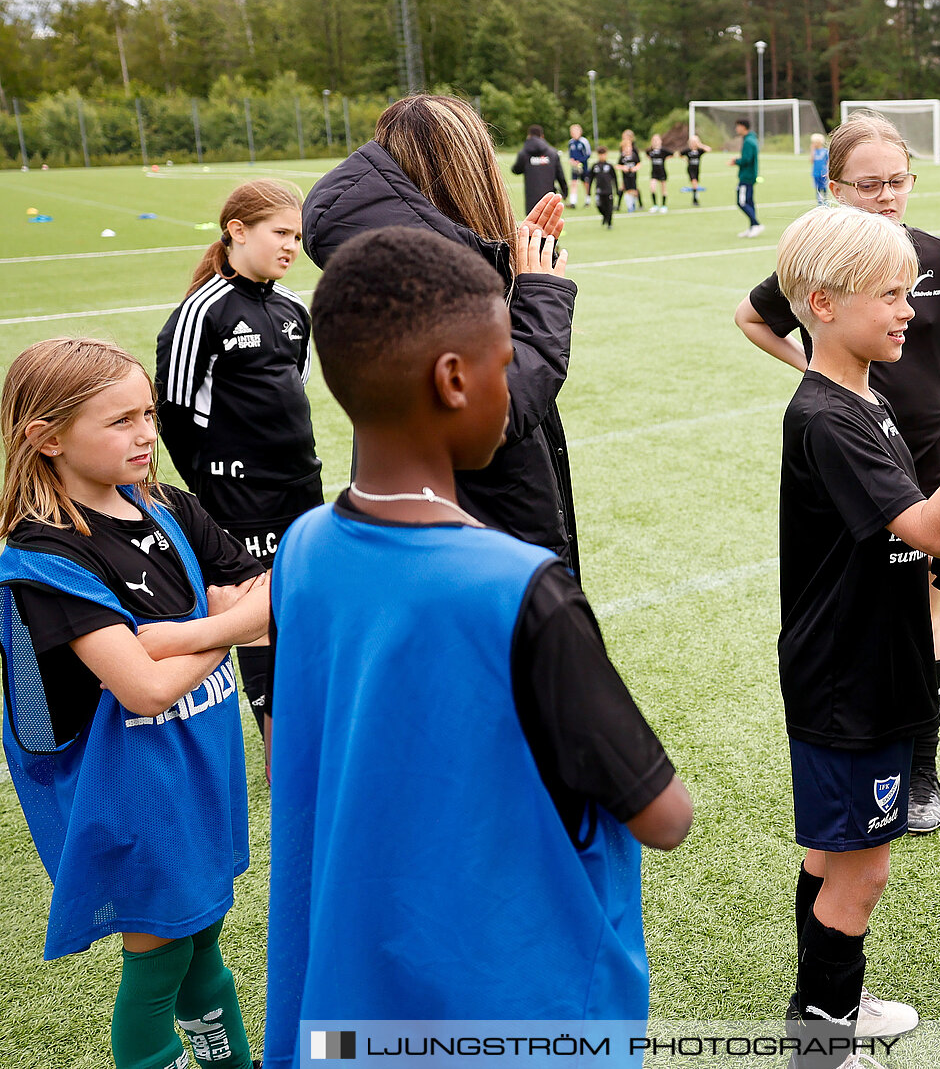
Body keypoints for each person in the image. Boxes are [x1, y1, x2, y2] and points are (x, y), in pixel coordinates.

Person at [263, 226, 693, 1068]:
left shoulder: (305, 547)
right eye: (504, 363)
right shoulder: (520, 587)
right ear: (454, 379)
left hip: (359, 996)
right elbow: (664, 815)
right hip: (515, 1005)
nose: (514, 384)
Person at [772, 205, 940, 1065]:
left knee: (833, 854)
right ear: (822, 301)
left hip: (864, 662)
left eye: (912, 295)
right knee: (863, 870)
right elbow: (924, 525)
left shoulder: (865, 397)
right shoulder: (829, 415)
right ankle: (823, 1045)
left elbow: (894, 532)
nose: (911, 312)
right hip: (851, 676)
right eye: (891, 296)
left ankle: (824, 1008)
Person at [735, 112, 940, 834]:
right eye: (869, 184)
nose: (887, 195)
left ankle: (915, 764)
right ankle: (867, 757)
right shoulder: (821, 273)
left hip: (926, 447)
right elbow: (751, 316)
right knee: (866, 598)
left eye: (898, 180)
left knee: (919, 603)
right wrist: (821, 373)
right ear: (835, 189)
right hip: (856, 452)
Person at [1, 337, 270, 1069]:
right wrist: (229, 627)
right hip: (132, 797)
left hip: (196, 769)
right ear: (47, 438)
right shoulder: (46, 555)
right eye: (120, 420)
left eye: (149, 412)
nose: (147, 432)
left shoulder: (167, 505)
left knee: (201, 941)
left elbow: (268, 602)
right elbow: (142, 686)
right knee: (157, 960)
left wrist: (182, 634)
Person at [302, 94, 582, 576]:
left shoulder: (395, 266)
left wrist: (501, 268)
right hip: (481, 553)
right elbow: (496, 412)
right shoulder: (420, 288)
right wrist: (542, 295)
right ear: (462, 171)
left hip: (444, 537)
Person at [155, 178, 320, 746]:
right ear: (237, 231)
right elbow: (174, 412)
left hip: (302, 485)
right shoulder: (202, 312)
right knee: (259, 618)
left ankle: (308, 725)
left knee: (305, 601)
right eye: (280, 233)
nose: (291, 247)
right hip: (241, 497)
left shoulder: (295, 309)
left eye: (297, 236)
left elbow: (290, 392)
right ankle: (281, 751)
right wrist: (213, 484)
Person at [513, 123, 569, 213]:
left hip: (531, 198)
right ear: (542, 136)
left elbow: (516, 170)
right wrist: (565, 191)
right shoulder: (553, 153)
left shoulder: (524, 153)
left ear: (529, 136)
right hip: (549, 197)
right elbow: (560, 174)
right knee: (549, 223)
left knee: (532, 223)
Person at [734, 119, 764, 237]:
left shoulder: (749, 141)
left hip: (746, 176)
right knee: (749, 201)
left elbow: (747, 159)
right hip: (750, 175)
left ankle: (756, 224)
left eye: (737, 126)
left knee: (741, 202)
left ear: (743, 127)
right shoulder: (750, 139)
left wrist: (736, 161)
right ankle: (752, 226)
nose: (736, 129)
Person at [591, 145, 620, 230]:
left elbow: (615, 178)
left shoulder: (610, 166)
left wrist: (616, 189)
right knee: (599, 205)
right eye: (600, 154)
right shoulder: (595, 166)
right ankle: (605, 216)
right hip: (599, 190)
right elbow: (591, 178)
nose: (602, 156)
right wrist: (588, 191)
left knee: (609, 207)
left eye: (603, 154)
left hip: (608, 190)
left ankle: (609, 223)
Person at [568, 123, 594, 207]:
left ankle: (587, 200)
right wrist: (572, 160)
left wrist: (580, 161)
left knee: (586, 183)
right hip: (575, 166)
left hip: (583, 166)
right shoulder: (571, 142)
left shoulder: (584, 141)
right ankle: (573, 202)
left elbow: (588, 154)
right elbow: (570, 154)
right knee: (574, 182)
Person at [646, 133, 672, 213]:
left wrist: (666, 159)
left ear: (660, 141)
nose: (655, 142)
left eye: (657, 140)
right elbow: (647, 155)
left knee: (663, 189)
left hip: (662, 172)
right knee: (652, 188)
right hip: (654, 172)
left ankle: (664, 206)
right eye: (654, 140)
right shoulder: (650, 150)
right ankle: (655, 205)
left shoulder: (663, 150)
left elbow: (672, 154)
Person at [683, 135, 711, 206]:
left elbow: (708, 149)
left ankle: (694, 198)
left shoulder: (699, 151)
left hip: (697, 170)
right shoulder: (688, 151)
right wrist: (685, 159)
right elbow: (679, 154)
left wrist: (700, 145)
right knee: (694, 183)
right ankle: (695, 200)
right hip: (690, 170)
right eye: (692, 142)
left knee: (695, 184)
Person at [619, 129, 641, 214]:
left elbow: (638, 161)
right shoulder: (622, 149)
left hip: (633, 173)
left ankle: (636, 204)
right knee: (625, 188)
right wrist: (622, 167)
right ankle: (628, 206)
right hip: (625, 173)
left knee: (634, 189)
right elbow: (619, 163)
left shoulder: (634, 149)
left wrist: (635, 168)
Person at [811, 132, 830, 206]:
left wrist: (828, 172)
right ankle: (819, 202)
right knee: (817, 188)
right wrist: (812, 151)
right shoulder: (814, 152)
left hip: (823, 173)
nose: (814, 144)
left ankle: (825, 201)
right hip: (815, 173)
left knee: (824, 187)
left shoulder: (825, 151)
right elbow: (811, 160)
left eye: (815, 142)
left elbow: (828, 162)